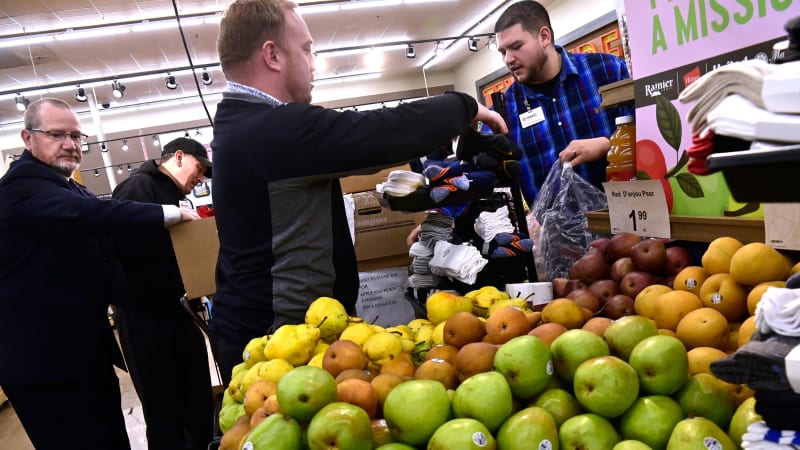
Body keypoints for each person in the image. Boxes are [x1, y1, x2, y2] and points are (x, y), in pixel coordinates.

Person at [209, 0, 508, 383]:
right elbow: (381, 132)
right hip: (278, 341)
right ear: (272, 55)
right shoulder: (269, 129)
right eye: (306, 49)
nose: (312, 64)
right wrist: (464, 106)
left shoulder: (242, 124)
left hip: (271, 331)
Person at [0, 98, 198, 449]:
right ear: (27, 138)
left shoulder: (65, 185)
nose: (70, 145)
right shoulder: (22, 186)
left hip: (78, 352)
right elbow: (91, 215)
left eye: (76, 136)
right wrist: (169, 214)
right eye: (57, 134)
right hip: (46, 363)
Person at [111, 137, 214, 450]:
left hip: (177, 314)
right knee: (165, 410)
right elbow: (129, 251)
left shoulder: (171, 194)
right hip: (148, 320)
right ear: (178, 157)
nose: (200, 179)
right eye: (199, 169)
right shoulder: (138, 189)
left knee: (196, 400)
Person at [494, 0, 633, 205]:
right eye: (503, 52)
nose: (508, 59)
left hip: (628, 222)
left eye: (516, 47)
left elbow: (650, 136)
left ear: (544, 36)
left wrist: (606, 145)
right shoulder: (505, 109)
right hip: (553, 233)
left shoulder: (608, 70)